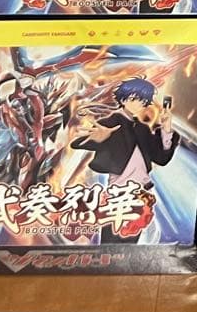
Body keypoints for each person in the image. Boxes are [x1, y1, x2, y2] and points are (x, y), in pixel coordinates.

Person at [71, 78, 179, 243]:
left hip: (142, 194)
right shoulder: (111, 123)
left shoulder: (142, 128)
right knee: (111, 241)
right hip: (119, 192)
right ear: (123, 99)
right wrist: (98, 139)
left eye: (143, 101)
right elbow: (78, 142)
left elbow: (161, 157)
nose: (139, 103)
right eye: (134, 98)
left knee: (130, 241)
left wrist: (166, 128)